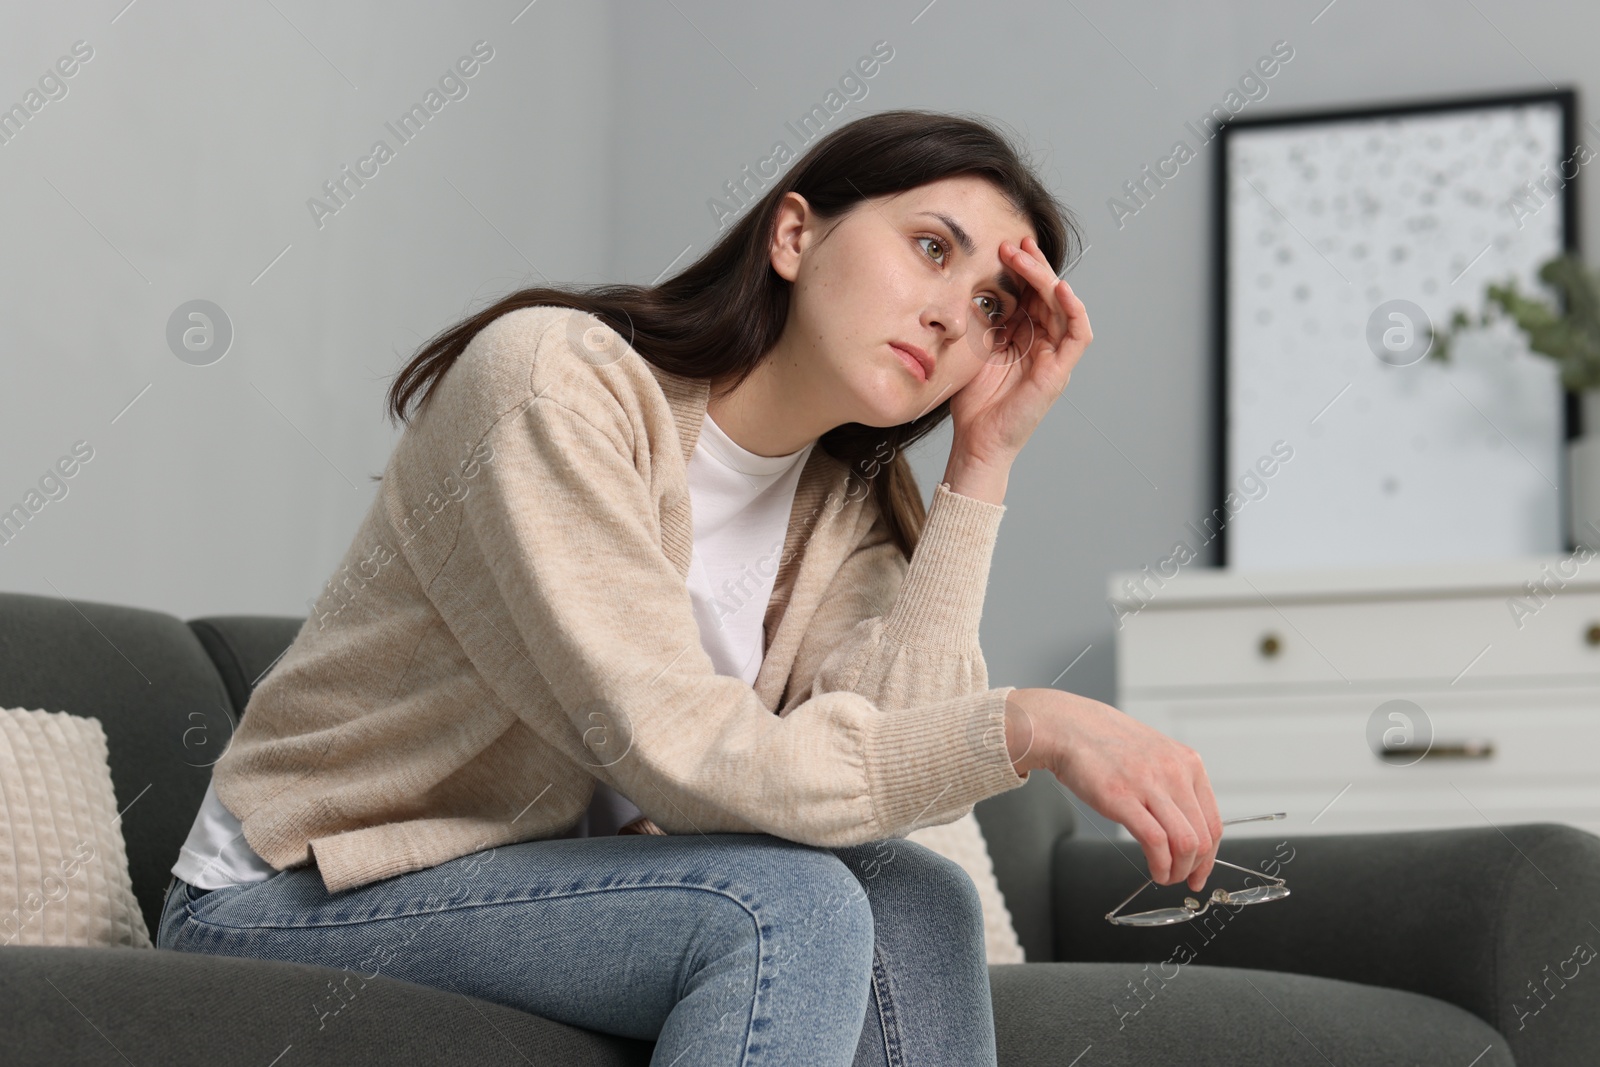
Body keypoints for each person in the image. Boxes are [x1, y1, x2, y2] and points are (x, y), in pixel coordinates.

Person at [156, 108, 1223, 1065]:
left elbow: (882, 777)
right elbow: (678, 749)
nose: (952, 313)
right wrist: (1027, 722)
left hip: (529, 887)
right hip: (287, 895)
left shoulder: (844, 509)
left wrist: (983, 461)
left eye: (993, 302)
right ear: (794, 235)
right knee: (780, 909)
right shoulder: (556, 387)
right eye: (930, 248)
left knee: (919, 894)